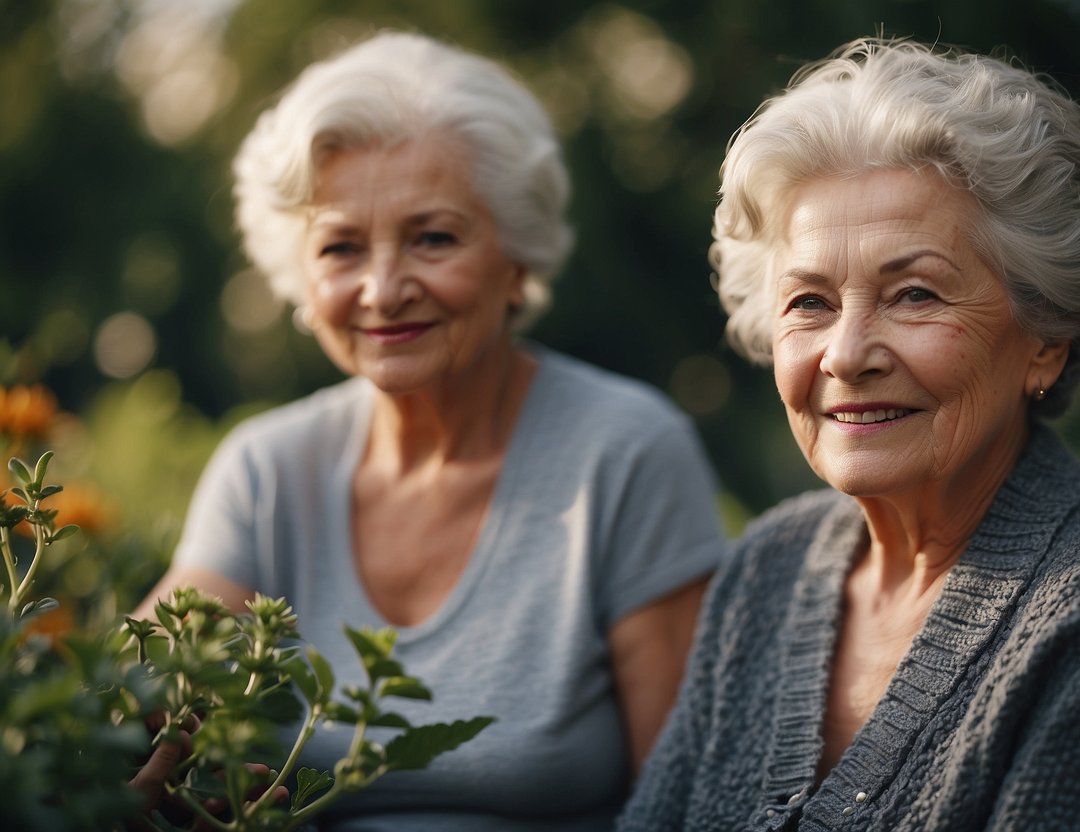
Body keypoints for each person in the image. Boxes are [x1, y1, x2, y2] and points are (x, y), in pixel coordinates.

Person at [133, 30, 726, 831]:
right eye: (341, 247)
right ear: (300, 282)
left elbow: (686, 799)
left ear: (516, 259)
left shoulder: (625, 452)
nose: (382, 289)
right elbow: (131, 699)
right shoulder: (266, 469)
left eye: (433, 237)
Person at [617, 37, 1080, 831]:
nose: (847, 353)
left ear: (1045, 335)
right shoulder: (768, 568)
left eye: (914, 294)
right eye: (808, 302)